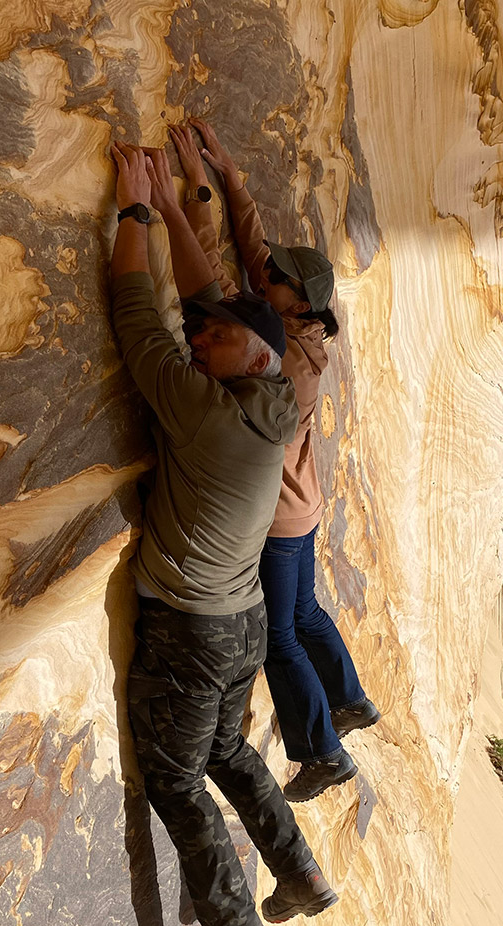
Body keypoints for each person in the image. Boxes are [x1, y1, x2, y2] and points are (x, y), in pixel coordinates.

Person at [109, 141, 338, 926]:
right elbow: (215, 303)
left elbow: (138, 315)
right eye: (201, 334)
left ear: (253, 352)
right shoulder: (275, 386)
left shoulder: (206, 413)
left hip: (194, 627)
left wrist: (133, 210)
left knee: (173, 772)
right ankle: (302, 874)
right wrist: (175, 208)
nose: (197, 339)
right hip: (237, 621)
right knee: (228, 752)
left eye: (212, 338)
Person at [165, 118, 380, 803]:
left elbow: (220, 285)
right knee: (307, 611)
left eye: (281, 278)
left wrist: (190, 200)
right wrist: (229, 177)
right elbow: (256, 254)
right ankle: (349, 700)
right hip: (304, 505)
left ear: (293, 300)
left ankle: (322, 752)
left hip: (281, 515)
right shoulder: (300, 320)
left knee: (281, 635)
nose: (271, 275)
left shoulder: (280, 353)